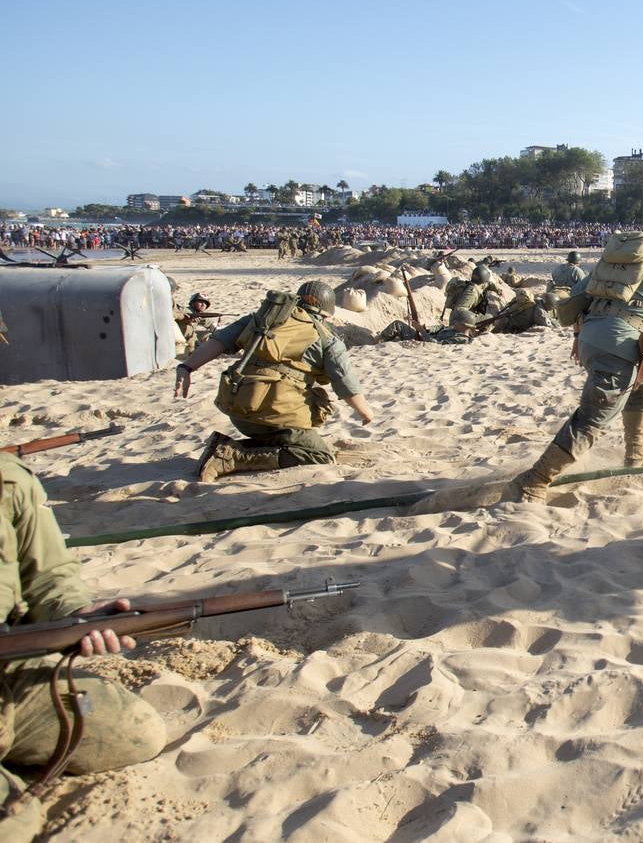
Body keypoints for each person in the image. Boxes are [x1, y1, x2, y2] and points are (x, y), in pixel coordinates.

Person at [0, 450, 166, 840]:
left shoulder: (9, 480)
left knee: (137, 732)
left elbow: (49, 577)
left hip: (9, 677)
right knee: (14, 824)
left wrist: (77, 614)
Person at [507, 209, 643, 503]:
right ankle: (534, 481)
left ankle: (635, 455)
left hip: (594, 338)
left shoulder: (617, 259)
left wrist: (578, 337)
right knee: (592, 418)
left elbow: (581, 296)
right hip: (619, 347)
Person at [174, 282, 374, 481]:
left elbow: (219, 341)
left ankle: (226, 446)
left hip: (237, 407)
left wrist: (187, 367)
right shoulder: (326, 338)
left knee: (298, 438)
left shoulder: (260, 320)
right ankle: (234, 456)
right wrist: (365, 412)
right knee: (319, 454)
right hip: (272, 415)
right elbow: (345, 382)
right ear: (327, 311)